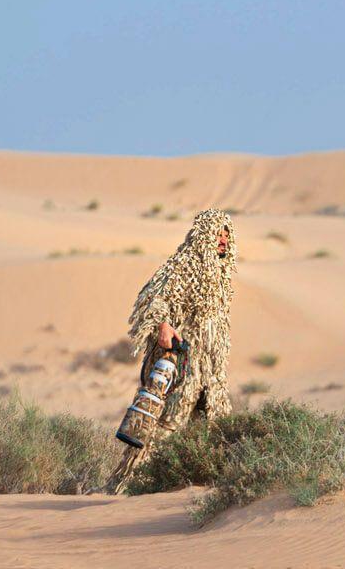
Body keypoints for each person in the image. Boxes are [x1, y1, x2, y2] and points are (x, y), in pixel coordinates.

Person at [106, 208, 238, 492]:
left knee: (214, 427)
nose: (223, 240)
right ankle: (129, 486)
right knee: (166, 426)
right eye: (218, 233)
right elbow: (155, 298)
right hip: (184, 365)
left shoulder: (221, 278)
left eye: (227, 234)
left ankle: (210, 490)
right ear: (204, 235)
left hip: (211, 374)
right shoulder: (184, 265)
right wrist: (164, 325)